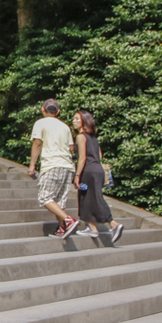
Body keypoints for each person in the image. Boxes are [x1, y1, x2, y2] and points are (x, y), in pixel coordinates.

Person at [28, 99, 82, 239]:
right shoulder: (65, 127)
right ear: (57, 112)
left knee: (44, 197)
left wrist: (32, 164)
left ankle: (69, 221)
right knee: (59, 201)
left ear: (43, 110)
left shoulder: (40, 123)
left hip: (52, 164)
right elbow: (71, 147)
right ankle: (62, 228)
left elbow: (37, 143)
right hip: (68, 166)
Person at [71, 110, 123, 243]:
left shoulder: (81, 136)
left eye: (77, 119)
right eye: (74, 119)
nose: (74, 121)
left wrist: (77, 175)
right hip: (97, 169)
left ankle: (113, 224)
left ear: (84, 121)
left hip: (88, 170)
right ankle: (92, 228)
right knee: (89, 198)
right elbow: (99, 155)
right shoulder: (93, 137)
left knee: (91, 198)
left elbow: (82, 158)